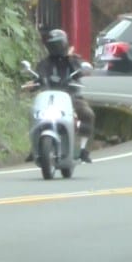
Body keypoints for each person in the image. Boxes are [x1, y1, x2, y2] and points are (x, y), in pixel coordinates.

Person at [23, 29, 96, 163]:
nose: (56, 47)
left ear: (64, 44)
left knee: (87, 114)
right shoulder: (44, 63)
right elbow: (38, 79)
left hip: (71, 98)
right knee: (33, 114)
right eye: (53, 45)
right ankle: (35, 147)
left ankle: (83, 150)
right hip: (48, 99)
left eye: (58, 44)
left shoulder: (72, 60)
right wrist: (32, 85)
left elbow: (80, 71)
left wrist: (72, 60)